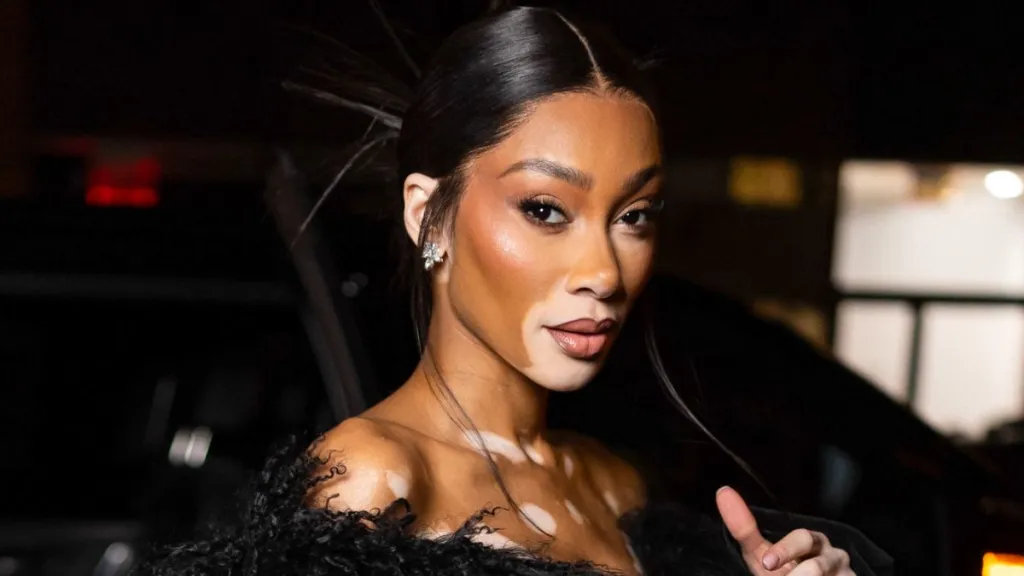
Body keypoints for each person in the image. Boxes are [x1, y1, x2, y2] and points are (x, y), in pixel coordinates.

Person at [136, 6, 891, 575]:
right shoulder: (371, 481)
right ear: (426, 213)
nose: (604, 271)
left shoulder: (612, 484)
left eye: (633, 215)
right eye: (544, 210)